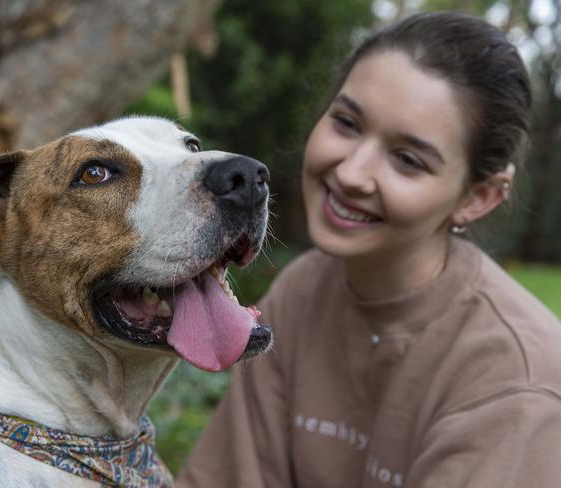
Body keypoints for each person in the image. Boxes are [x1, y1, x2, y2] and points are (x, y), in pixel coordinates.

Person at [175, 11, 561, 488]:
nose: (352, 173)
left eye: (407, 160)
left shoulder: (514, 381)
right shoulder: (303, 289)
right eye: (347, 123)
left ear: (476, 197)